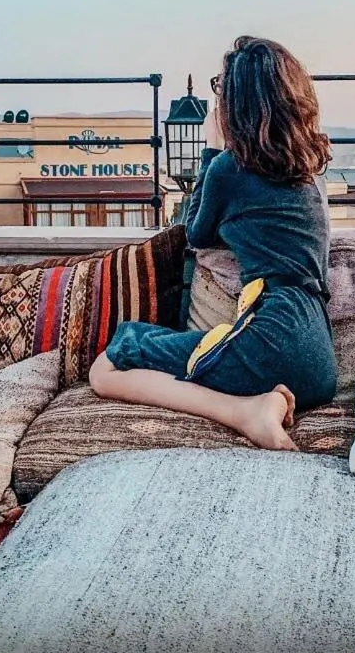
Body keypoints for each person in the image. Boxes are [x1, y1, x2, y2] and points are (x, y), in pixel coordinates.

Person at [89, 35, 337, 450]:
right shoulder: (310, 175)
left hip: (269, 344)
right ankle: (259, 405)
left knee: (109, 363)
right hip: (318, 363)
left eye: (220, 89)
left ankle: (244, 412)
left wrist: (209, 152)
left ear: (233, 105)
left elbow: (194, 232)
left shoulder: (230, 167)